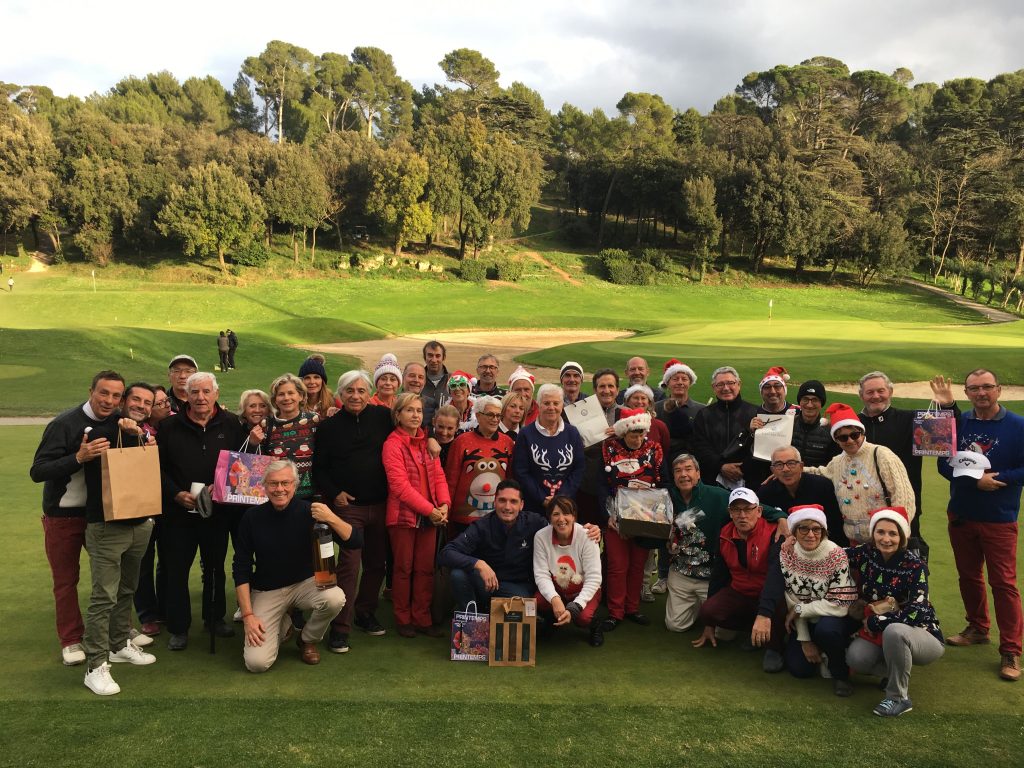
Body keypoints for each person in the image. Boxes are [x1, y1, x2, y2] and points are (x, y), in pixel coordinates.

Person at [30, 371, 126, 666]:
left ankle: (118, 635)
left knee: (112, 578)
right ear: (91, 391)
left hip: (103, 515)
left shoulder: (117, 422)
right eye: (103, 393)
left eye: (115, 396)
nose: (109, 401)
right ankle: (71, 639)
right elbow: (38, 471)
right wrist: (78, 458)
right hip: (63, 516)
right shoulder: (64, 424)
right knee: (66, 580)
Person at [938, 369, 1023, 682]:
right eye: (974, 388)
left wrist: (998, 480)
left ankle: (1011, 649)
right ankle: (977, 627)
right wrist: (977, 481)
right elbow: (942, 463)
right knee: (969, 576)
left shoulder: (1018, 425)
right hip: (961, 513)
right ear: (967, 393)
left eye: (987, 387)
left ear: (999, 389)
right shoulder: (960, 424)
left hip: (999, 516)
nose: (981, 393)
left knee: (1003, 583)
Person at [233, 461, 359, 671]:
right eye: (273, 484)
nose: (279, 489)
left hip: (305, 584)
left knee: (335, 597)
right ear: (264, 486)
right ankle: (285, 624)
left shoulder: (310, 512)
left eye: (285, 483)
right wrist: (247, 616)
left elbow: (354, 541)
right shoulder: (252, 517)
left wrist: (330, 517)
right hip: (267, 590)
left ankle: (308, 639)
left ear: (295, 485)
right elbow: (241, 567)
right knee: (257, 663)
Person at [157, 372, 251, 650]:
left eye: (206, 391)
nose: (200, 397)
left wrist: (220, 486)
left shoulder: (231, 423)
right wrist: (176, 493)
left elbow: (241, 464)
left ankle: (214, 618)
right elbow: (157, 467)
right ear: (186, 395)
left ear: (216, 394)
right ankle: (178, 626)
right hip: (178, 512)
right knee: (176, 569)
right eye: (194, 392)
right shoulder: (169, 426)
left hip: (217, 511)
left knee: (214, 568)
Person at [312, 370, 393, 653]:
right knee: (348, 566)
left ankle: (365, 613)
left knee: (376, 563)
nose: (355, 396)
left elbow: (409, 436)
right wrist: (335, 493)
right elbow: (319, 468)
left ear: (368, 393)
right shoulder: (329, 427)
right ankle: (340, 627)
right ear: (341, 394)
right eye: (349, 391)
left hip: (381, 504)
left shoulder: (383, 418)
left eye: (361, 390)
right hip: (349, 509)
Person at [79, 404, 158, 696]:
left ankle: (119, 644)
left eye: (147, 401)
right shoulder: (100, 432)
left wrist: (137, 433)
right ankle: (95, 666)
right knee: (104, 596)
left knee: (127, 589)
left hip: (140, 524)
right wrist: (119, 427)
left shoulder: (143, 434)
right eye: (135, 399)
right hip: (107, 526)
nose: (141, 405)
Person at [664, 454, 789, 632]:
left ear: (699, 474)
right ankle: (695, 607)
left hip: (710, 574)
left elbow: (752, 508)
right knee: (675, 626)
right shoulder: (666, 496)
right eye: (678, 471)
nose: (683, 474)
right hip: (680, 571)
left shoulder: (716, 495)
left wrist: (781, 517)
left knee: (724, 632)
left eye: (688, 469)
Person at [439, 480, 600, 611]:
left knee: (525, 606)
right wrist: (479, 564)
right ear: (494, 502)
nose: (507, 507)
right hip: (486, 582)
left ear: (521, 505)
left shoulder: (535, 522)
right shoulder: (481, 526)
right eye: (502, 500)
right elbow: (447, 553)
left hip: (517, 586)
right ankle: (471, 619)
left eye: (513, 502)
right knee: (459, 574)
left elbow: (561, 524)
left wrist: (590, 530)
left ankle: (493, 614)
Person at [846, 507, 945, 716]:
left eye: (893, 533)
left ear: (903, 535)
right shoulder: (867, 553)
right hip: (883, 632)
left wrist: (876, 622)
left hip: (923, 634)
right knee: (856, 658)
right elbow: (834, 556)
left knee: (894, 630)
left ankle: (898, 697)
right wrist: (797, 543)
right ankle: (895, 671)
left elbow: (917, 611)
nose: (886, 538)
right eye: (880, 532)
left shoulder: (915, 565)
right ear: (873, 533)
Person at [755, 505, 858, 695]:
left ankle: (840, 674)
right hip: (804, 621)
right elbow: (792, 601)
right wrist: (804, 639)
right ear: (794, 532)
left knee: (826, 630)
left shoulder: (835, 554)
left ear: (823, 531)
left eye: (816, 529)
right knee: (799, 670)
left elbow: (840, 604)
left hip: (833, 617)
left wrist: (801, 610)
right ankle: (817, 648)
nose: (811, 534)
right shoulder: (787, 553)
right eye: (804, 528)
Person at [692, 488, 786, 673]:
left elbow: (776, 576)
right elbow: (719, 575)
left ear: (758, 511)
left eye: (748, 509)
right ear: (730, 513)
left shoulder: (774, 534)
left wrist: (764, 614)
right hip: (740, 591)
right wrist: (709, 624)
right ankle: (755, 633)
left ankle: (774, 647)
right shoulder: (725, 533)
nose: (742, 515)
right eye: (736, 510)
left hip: (769, 593)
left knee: (778, 605)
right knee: (709, 611)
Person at [859, 371, 957, 545]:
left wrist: (948, 407)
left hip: (905, 506)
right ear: (861, 396)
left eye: (881, 391)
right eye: (870, 392)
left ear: (890, 392)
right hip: (862, 509)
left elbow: (948, 436)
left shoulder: (911, 420)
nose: (876, 396)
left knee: (905, 565)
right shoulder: (854, 425)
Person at [382, 393, 451, 637]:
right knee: (404, 569)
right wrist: (431, 510)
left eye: (419, 411)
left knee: (425, 569)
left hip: (430, 515)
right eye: (409, 410)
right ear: (398, 414)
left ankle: (422, 618)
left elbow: (439, 476)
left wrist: (443, 504)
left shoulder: (426, 442)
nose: (415, 415)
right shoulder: (392, 444)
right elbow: (399, 487)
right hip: (403, 517)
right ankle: (403, 618)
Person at [804, 403, 915, 545]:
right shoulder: (837, 462)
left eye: (854, 435)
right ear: (836, 440)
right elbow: (819, 472)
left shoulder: (882, 455)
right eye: (843, 438)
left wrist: (895, 533)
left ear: (862, 433)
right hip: (854, 543)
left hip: (885, 542)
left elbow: (903, 497)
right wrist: (791, 469)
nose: (850, 440)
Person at [600, 407, 663, 630]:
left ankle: (632, 608)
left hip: (644, 517)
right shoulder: (608, 448)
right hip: (616, 517)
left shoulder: (654, 449)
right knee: (618, 565)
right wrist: (607, 515)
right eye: (632, 434)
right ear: (623, 433)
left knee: (638, 565)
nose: (637, 439)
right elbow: (600, 485)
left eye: (640, 433)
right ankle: (615, 611)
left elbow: (660, 481)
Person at [533, 496, 604, 647]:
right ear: (550, 518)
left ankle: (595, 625)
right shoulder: (540, 536)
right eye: (556, 514)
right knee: (538, 601)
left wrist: (575, 607)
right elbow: (541, 574)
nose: (561, 519)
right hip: (558, 586)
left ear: (574, 516)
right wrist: (554, 599)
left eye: (566, 513)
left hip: (581, 588)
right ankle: (552, 621)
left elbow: (594, 578)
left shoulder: (587, 535)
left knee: (583, 618)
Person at [445, 396, 515, 534]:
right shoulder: (462, 441)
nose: (495, 419)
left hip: (496, 516)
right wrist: (447, 510)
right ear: (477, 415)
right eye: (490, 414)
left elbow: (510, 478)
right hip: (464, 518)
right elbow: (451, 479)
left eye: (498, 415)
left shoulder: (507, 442)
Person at [513, 384, 585, 511]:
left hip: (566, 506)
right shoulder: (526, 434)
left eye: (556, 403)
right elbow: (521, 472)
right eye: (546, 403)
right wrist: (542, 498)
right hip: (534, 506)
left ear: (562, 406)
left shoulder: (572, 433)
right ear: (539, 405)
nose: (551, 407)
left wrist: (562, 497)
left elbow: (578, 469)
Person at [757, 445, 848, 546]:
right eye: (779, 464)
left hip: (822, 546)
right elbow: (755, 507)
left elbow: (835, 525)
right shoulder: (766, 491)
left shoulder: (822, 486)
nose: (785, 469)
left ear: (801, 466)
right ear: (773, 470)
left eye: (791, 463)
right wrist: (779, 517)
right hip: (785, 548)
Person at [250, 374, 319, 499]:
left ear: (301, 396)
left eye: (291, 393)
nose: (286, 398)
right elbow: (256, 462)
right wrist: (253, 444)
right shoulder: (266, 425)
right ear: (275, 399)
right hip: (277, 496)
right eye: (281, 394)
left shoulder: (314, 420)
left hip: (309, 497)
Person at [691, 366, 758, 488]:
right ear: (713, 387)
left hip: (748, 480)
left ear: (739, 384)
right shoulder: (704, 415)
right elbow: (700, 446)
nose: (726, 388)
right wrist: (721, 466)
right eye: (720, 384)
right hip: (712, 480)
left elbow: (759, 447)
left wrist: (742, 469)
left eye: (730, 383)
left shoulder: (755, 412)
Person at [744, 366, 800, 488]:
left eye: (777, 386)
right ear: (761, 392)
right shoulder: (751, 414)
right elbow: (743, 450)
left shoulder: (797, 412)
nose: (773, 391)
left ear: (784, 389)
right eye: (767, 387)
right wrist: (750, 432)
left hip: (790, 475)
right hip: (758, 477)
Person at [654, 359, 705, 465]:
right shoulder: (655, 409)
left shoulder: (702, 410)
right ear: (667, 383)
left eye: (684, 379)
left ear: (690, 383)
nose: (680, 382)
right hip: (663, 464)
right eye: (675, 379)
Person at [789, 379, 840, 468]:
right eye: (805, 399)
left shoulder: (831, 431)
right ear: (799, 402)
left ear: (821, 403)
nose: (809, 405)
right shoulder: (787, 425)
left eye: (815, 400)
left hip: (818, 480)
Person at [402, 361, 436, 425]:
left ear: (425, 382)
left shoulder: (431, 405)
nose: (416, 380)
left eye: (420, 377)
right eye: (412, 376)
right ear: (403, 378)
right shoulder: (393, 403)